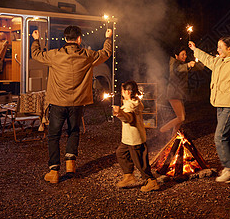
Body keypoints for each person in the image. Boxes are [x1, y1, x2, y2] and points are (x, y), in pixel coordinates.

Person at [31, 26, 112, 183]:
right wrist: (108, 38)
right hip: (77, 103)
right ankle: (70, 166)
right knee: (73, 131)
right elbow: (106, 53)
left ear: (65, 38)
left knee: (54, 135)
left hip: (57, 102)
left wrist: (36, 40)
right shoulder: (88, 55)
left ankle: (54, 171)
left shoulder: (55, 55)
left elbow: (36, 54)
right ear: (79, 39)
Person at [189, 37, 230, 183]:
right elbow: (208, 59)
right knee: (227, 136)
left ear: (229, 48)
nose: (217, 49)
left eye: (220, 47)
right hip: (219, 103)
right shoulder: (219, 61)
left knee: (219, 137)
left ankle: (229, 168)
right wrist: (195, 50)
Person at [112, 81, 159, 192]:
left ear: (128, 92)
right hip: (128, 139)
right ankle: (128, 176)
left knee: (140, 163)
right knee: (121, 153)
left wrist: (120, 114)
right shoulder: (134, 102)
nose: (122, 93)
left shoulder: (130, 106)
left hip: (134, 139)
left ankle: (151, 181)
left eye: (123, 91)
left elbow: (129, 118)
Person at [160, 46, 204, 135]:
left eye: (185, 54)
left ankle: (173, 136)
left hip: (178, 94)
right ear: (176, 55)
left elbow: (196, 67)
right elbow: (178, 69)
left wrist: (204, 63)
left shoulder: (181, 64)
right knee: (181, 118)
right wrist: (188, 65)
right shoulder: (174, 64)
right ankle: (162, 130)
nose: (185, 56)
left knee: (180, 116)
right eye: (182, 54)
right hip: (173, 94)